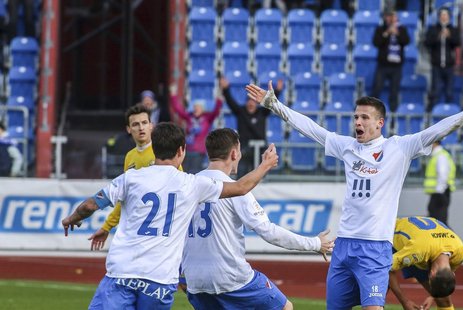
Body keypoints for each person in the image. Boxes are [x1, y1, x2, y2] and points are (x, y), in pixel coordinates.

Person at [246, 80, 463, 309]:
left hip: (375, 248)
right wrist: (274, 105)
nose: (358, 123)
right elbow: (311, 129)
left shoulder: (399, 147)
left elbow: (438, 130)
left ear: (380, 123)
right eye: (356, 117)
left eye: (365, 117)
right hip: (343, 246)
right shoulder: (347, 147)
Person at [61, 122, 279, 309]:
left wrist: (73, 218)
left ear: (154, 149)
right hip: (159, 281)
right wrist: (265, 165)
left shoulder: (130, 178)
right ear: (182, 151)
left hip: (122, 274)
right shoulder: (192, 184)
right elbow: (241, 187)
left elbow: (90, 205)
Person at [181, 128, 334, 310]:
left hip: (195, 280)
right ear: (234, 153)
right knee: (285, 307)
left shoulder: (189, 184)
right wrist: (315, 244)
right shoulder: (235, 189)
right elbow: (268, 231)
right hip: (230, 278)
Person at [89, 104, 182, 251]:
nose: (141, 128)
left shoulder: (164, 151)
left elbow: (180, 188)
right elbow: (125, 197)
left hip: (163, 230)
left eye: (144, 123)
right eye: (136, 124)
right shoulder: (130, 157)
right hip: (138, 230)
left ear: (151, 125)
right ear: (128, 129)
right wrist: (107, 227)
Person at [388, 216, 463, 310]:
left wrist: (432, 296)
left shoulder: (460, 253)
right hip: (391, 237)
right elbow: (384, 269)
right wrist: (405, 301)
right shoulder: (417, 251)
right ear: (431, 274)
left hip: (424, 247)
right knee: (379, 291)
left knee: (443, 299)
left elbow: (443, 282)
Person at [220, 76, 284, 177]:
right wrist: (225, 89)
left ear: (256, 103)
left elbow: (272, 104)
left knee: (260, 175)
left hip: (260, 148)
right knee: (242, 175)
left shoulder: (262, 112)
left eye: (253, 101)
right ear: (246, 103)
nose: (251, 103)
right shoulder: (241, 112)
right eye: (249, 101)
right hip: (244, 148)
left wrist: (278, 91)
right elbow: (230, 102)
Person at [170, 86, 223, 174]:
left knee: (196, 172)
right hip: (188, 150)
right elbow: (178, 110)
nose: (195, 109)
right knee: (186, 172)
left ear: (203, 109)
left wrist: (219, 99)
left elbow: (216, 111)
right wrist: (173, 95)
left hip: (199, 151)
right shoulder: (189, 117)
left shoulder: (207, 118)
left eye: (198, 107)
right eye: (194, 107)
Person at [371, 10, 410, 113]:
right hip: (383, 65)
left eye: (393, 16)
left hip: (396, 67)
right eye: (388, 17)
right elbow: (376, 42)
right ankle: (372, 111)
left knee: (394, 91)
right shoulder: (380, 29)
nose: (391, 19)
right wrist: (387, 33)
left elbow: (406, 41)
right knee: (377, 89)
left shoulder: (402, 29)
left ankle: (393, 115)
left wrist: (397, 33)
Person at [425, 8, 461, 109]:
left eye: (446, 15)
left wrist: (449, 36)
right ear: (439, 17)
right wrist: (438, 36)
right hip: (436, 65)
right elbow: (427, 43)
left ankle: (448, 114)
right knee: (435, 91)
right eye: (442, 15)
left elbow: (458, 42)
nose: (444, 17)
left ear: (449, 17)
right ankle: (433, 114)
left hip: (449, 65)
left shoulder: (453, 29)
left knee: (449, 92)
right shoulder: (433, 29)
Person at [423, 141, 456, 226]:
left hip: (440, 193)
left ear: (435, 143)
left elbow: (442, 174)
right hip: (439, 192)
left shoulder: (440, 156)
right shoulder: (439, 155)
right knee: (436, 221)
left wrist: (439, 191)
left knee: (439, 222)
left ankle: (449, 239)